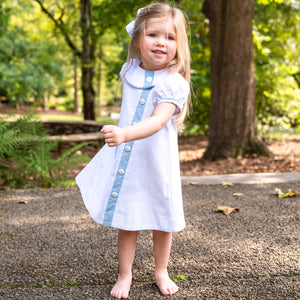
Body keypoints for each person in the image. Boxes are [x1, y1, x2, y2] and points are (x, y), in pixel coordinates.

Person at [76, 3, 191, 299]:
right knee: (128, 219)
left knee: (160, 220)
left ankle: (160, 270)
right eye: (153, 34)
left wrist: (124, 134)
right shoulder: (129, 70)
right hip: (129, 164)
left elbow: (157, 121)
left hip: (157, 164)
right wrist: (143, 23)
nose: (161, 43)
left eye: (170, 37)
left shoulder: (174, 83)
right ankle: (125, 274)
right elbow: (135, 30)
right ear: (138, 37)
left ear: (179, 46)